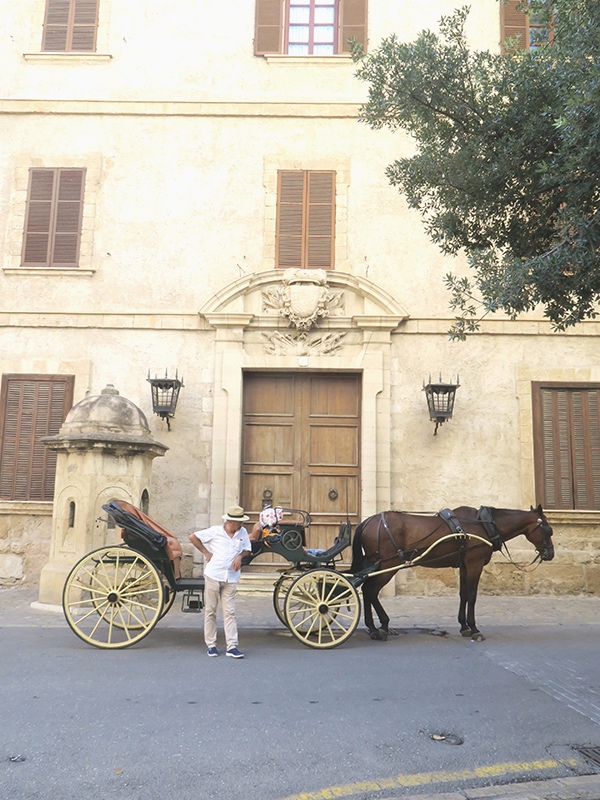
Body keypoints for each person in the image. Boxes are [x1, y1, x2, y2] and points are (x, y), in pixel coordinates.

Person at [189, 505, 252, 659]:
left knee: (230, 612)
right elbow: (193, 537)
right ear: (230, 521)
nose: (242, 524)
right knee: (211, 611)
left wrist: (240, 557)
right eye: (239, 522)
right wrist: (205, 552)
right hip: (214, 575)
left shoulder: (242, 532)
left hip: (231, 577)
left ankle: (232, 646)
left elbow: (247, 549)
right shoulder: (215, 531)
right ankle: (211, 645)